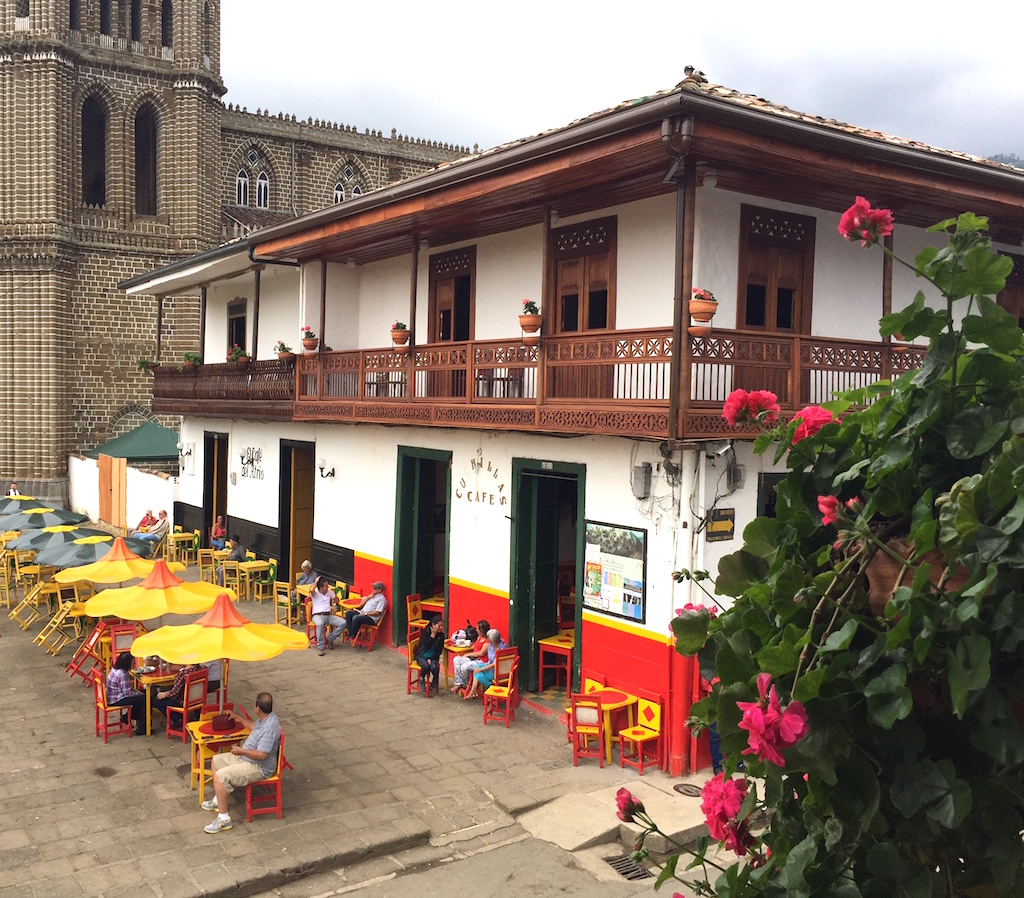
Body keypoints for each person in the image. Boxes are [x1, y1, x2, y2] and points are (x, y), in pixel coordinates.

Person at [201, 692, 281, 834]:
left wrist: (241, 751)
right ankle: (218, 800)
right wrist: (237, 716)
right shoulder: (266, 718)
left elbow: (262, 755)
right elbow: (252, 726)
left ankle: (223, 819)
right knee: (216, 760)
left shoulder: (269, 728)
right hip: (246, 757)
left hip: (258, 766)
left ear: (257, 708)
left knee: (220, 777)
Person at [152, 662, 203, 730]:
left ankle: (179, 719)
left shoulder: (183, 673)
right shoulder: (201, 669)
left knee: (156, 700)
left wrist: (165, 694)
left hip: (183, 701)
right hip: (197, 699)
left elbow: (174, 693)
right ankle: (193, 716)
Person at [106, 652, 147, 735]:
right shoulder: (122, 674)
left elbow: (125, 688)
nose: (134, 664)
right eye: (133, 662)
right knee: (145, 699)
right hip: (117, 699)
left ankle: (129, 717)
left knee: (143, 695)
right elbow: (127, 694)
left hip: (112, 696)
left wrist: (136, 691)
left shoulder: (114, 670)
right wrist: (138, 694)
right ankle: (142, 727)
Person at [464, 629, 507, 700]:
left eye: (489, 639)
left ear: (493, 640)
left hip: (497, 671)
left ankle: (489, 688)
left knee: (478, 674)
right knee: (476, 669)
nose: (488, 640)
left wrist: (482, 669)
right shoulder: (492, 645)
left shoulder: (502, 648)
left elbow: (494, 664)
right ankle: (473, 690)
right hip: (489, 666)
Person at [340, 580, 387, 645]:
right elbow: (361, 604)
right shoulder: (371, 596)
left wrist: (366, 614)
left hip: (371, 617)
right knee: (348, 613)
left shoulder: (382, 599)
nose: (373, 589)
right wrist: (368, 597)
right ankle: (352, 633)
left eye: (375, 588)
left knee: (356, 618)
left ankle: (353, 634)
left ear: (380, 590)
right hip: (362, 612)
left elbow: (378, 612)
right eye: (373, 588)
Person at [451, 618, 491, 694]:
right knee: (456, 659)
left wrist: (469, 654)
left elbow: (481, 653)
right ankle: (459, 682)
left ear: (482, 630)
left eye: (478, 629)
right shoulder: (479, 638)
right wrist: (463, 645)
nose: (476, 630)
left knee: (464, 666)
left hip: (480, 662)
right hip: (473, 659)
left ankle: (465, 683)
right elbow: (474, 647)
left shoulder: (487, 641)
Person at [310, 576, 346, 656]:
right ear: (321, 587)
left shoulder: (329, 591)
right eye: (326, 586)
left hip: (329, 615)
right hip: (318, 615)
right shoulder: (315, 593)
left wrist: (334, 604)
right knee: (319, 624)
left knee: (344, 623)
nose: (328, 587)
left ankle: (330, 638)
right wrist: (316, 582)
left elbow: (336, 598)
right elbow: (311, 590)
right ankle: (320, 647)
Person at [414, 615, 445, 695]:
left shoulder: (441, 636)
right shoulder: (425, 632)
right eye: (439, 626)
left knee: (434, 667)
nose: (441, 628)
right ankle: (421, 678)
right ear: (433, 625)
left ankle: (435, 680)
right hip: (422, 655)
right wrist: (432, 635)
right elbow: (425, 646)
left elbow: (439, 651)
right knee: (426, 666)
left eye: (442, 626)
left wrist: (431, 658)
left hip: (433, 656)